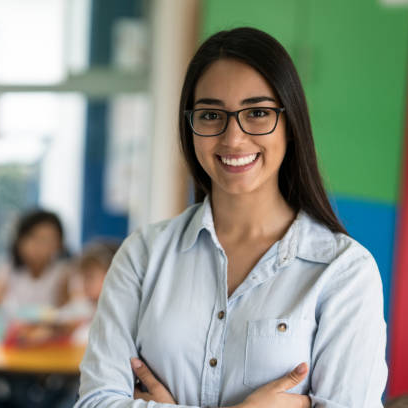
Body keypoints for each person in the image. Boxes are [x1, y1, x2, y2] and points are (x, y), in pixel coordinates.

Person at [75, 27, 387, 408]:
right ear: (190, 127)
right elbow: (96, 402)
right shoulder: (142, 255)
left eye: (257, 113)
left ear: (291, 126)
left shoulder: (343, 272)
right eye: (210, 115)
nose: (233, 139)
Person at [0, 209, 70, 311]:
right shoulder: (7, 271)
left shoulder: (64, 275)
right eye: (34, 238)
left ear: (59, 244)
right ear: (20, 240)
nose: (39, 246)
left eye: (46, 240)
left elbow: (67, 316)